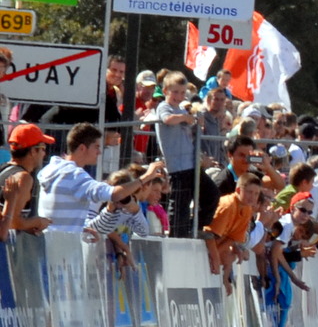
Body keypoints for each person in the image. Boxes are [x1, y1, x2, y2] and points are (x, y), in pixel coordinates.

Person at [38, 122, 166, 233]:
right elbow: (115, 194)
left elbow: (59, 214)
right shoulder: (74, 175)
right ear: (82, 148)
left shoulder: (52, 168)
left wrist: (81, 228)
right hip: (63, 248)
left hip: (51, 241)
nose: (99, 152)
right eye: (97, 147)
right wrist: (146, 177)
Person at [155, 71, 219, 237]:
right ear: (165, 91)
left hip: (191, 164)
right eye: (175, 92)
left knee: (211, 194)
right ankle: (176, 235)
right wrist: (185, 117)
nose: (179, 96)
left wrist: (196, 122)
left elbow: (192, 130)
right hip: (178, 166)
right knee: (179, 205)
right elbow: (167, 119)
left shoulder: (183, 110)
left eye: (182, 93)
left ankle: (193, 227)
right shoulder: (165, 107)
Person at [0, 123, 54, 239]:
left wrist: (27, 227)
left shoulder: (3, 168)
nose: (44, 154)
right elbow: (12, 221)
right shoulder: (23, 178)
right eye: (43, 148)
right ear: (33, 151)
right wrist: (37, 222)